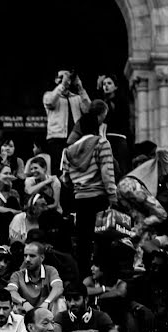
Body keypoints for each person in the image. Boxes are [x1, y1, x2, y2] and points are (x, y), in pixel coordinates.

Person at [61, 114, 118, 271]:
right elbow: (107, 171)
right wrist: (112, 195)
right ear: (98, 126)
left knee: (83, 241)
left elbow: (65, 179)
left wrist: (78, 184)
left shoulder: (69, 150)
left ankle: (84, 278)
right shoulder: (102, 143)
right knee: (103, 239)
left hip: (80, 199)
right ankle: (103, 276)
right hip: (99, 198)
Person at [43, 70, 91, 173]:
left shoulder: (77, 98)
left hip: (75, 139)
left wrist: (80, 88)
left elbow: (88, 110)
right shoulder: (49, 95)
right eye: (62, 77)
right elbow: (50, 102)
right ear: (56, 80)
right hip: (57, 139)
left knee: (76, 171)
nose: (65, 79)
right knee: (59, 171)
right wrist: (63, 84)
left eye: (67, 77)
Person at [7, 242, 65, 315]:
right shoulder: (17, 275)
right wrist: (23, 302)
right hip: (25, 314)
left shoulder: (50, 271)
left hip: (46, 313)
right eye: (25, 255)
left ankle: (57, 325)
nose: (27, 259)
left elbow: (58, 287)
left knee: (60, 301)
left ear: (42, 258)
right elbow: (10, 291)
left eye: (32, 256)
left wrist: (47, 302)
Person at [96, 74, 131, 176]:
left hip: (119, 139)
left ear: (115, 87)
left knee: (121, 168)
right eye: (104, 84)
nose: (106, 86)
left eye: (109, 83)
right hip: (106, 139)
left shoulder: (122, 102)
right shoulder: (101, 102)